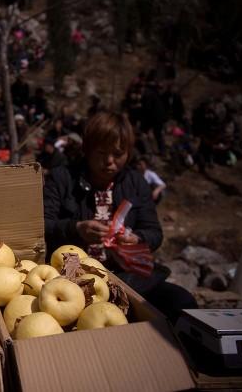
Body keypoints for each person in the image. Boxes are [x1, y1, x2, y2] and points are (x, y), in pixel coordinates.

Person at [43, 111, 196, 322]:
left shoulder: (136, 183)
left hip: (125, 276)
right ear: (86, 150)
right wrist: (75, 228)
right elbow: (43, 224)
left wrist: (136, 238)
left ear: (128, 153)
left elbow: (154, 233)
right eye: (101, 153)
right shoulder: (62, 178)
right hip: (69, 280)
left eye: (118, 154)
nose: (109, 161)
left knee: (181, 301)